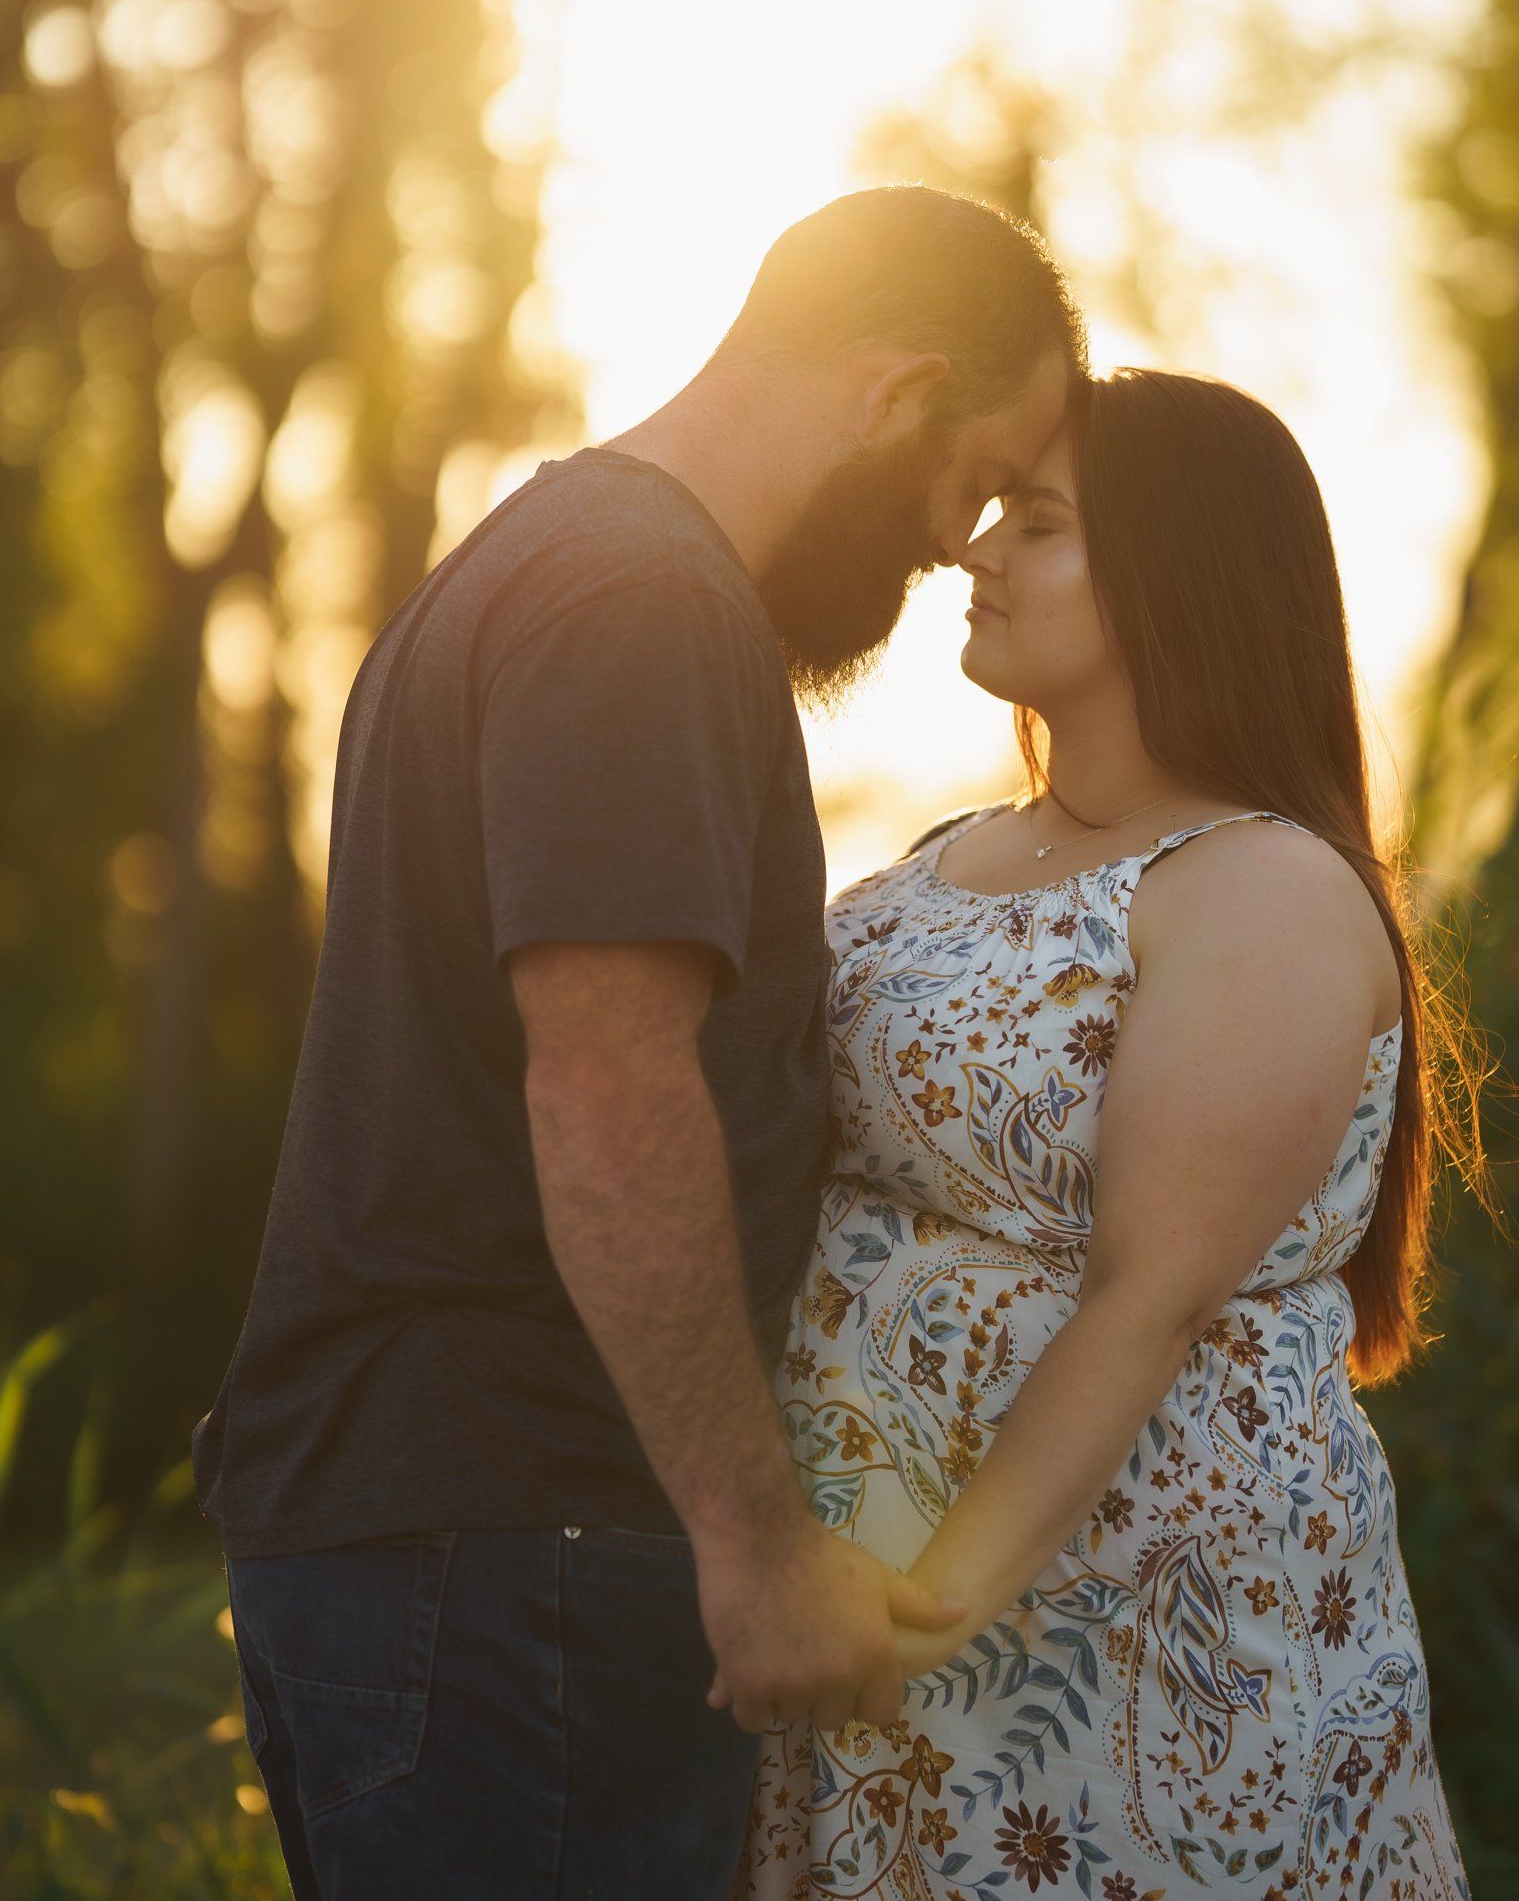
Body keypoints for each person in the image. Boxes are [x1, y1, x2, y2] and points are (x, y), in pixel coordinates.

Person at [191, 185, 1083, 1901]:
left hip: (431, 1534)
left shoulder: (542, 560)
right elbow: (606, 1079)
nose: (948, 542)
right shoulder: (643, 608)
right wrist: (751, 1542)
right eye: (971, 479)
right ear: (893, 394)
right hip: (520, 1540)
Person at [733, 367, 1482, 1901]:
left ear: (1178, 572)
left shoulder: (1259, 885)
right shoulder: (951, 852)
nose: (978, 549)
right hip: (879, 1617)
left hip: (1124, 1640)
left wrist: (931, 1610)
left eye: (1043, 522)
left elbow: (1152, 1296)